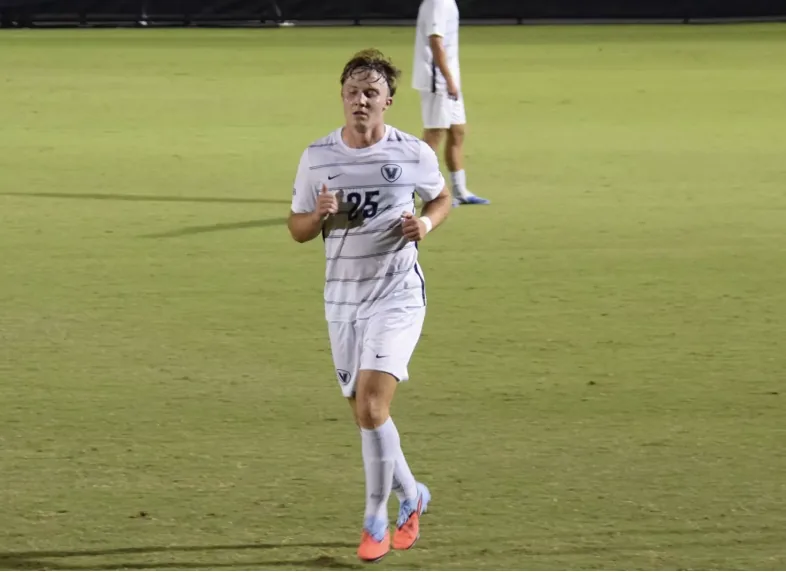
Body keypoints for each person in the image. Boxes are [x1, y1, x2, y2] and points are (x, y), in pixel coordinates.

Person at [287, 48, 453, 562]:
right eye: (353, 92)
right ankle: (413, 491)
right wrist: (317, 215)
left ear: (388, 101)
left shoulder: (413, 153)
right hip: (342, 299)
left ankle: (376, 518)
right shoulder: (317, 156)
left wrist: (424, 224)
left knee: (374, 405)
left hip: (397, 295)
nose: (361, 101)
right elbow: (296, 229)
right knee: (364, 415)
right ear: (342, 96)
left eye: (371, 93)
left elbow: (441, 197)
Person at [412, 0, 490, 206]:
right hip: (437, 80)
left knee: (457, 131)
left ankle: (460, 190)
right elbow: (435, 43)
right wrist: (448, 79)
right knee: (434, 134)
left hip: (448, 80)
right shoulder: (437, 3)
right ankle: (419, 189)